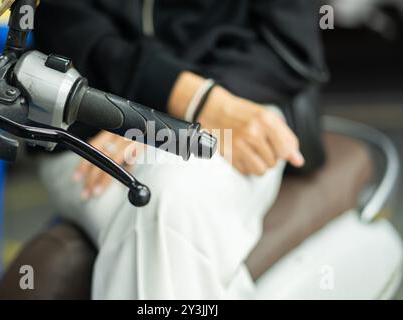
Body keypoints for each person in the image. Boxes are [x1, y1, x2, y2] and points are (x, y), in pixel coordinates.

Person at [34, 0, 326, 299]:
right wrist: (155, 109)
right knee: (165, 214)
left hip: (240, 104)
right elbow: (71, 26)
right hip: (93, 122)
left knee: (174, 199)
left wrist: (198, 104)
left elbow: (290, 44)